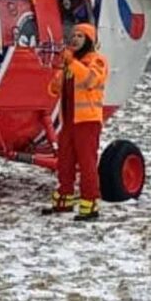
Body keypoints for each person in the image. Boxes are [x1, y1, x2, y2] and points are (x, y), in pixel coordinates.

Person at [46, 22, 109, 220]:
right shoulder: (71, 63)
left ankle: (90, 203)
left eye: (80, 36)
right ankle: (64, 198)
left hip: (87, 122)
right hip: (69, 122)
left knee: (87, 163)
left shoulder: (97, 61)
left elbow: (90, 80)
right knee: (65, 162)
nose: (74, 39)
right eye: (73, 35)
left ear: (89, 41)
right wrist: (60, 73)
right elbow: (53, 89)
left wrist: (71, 63)